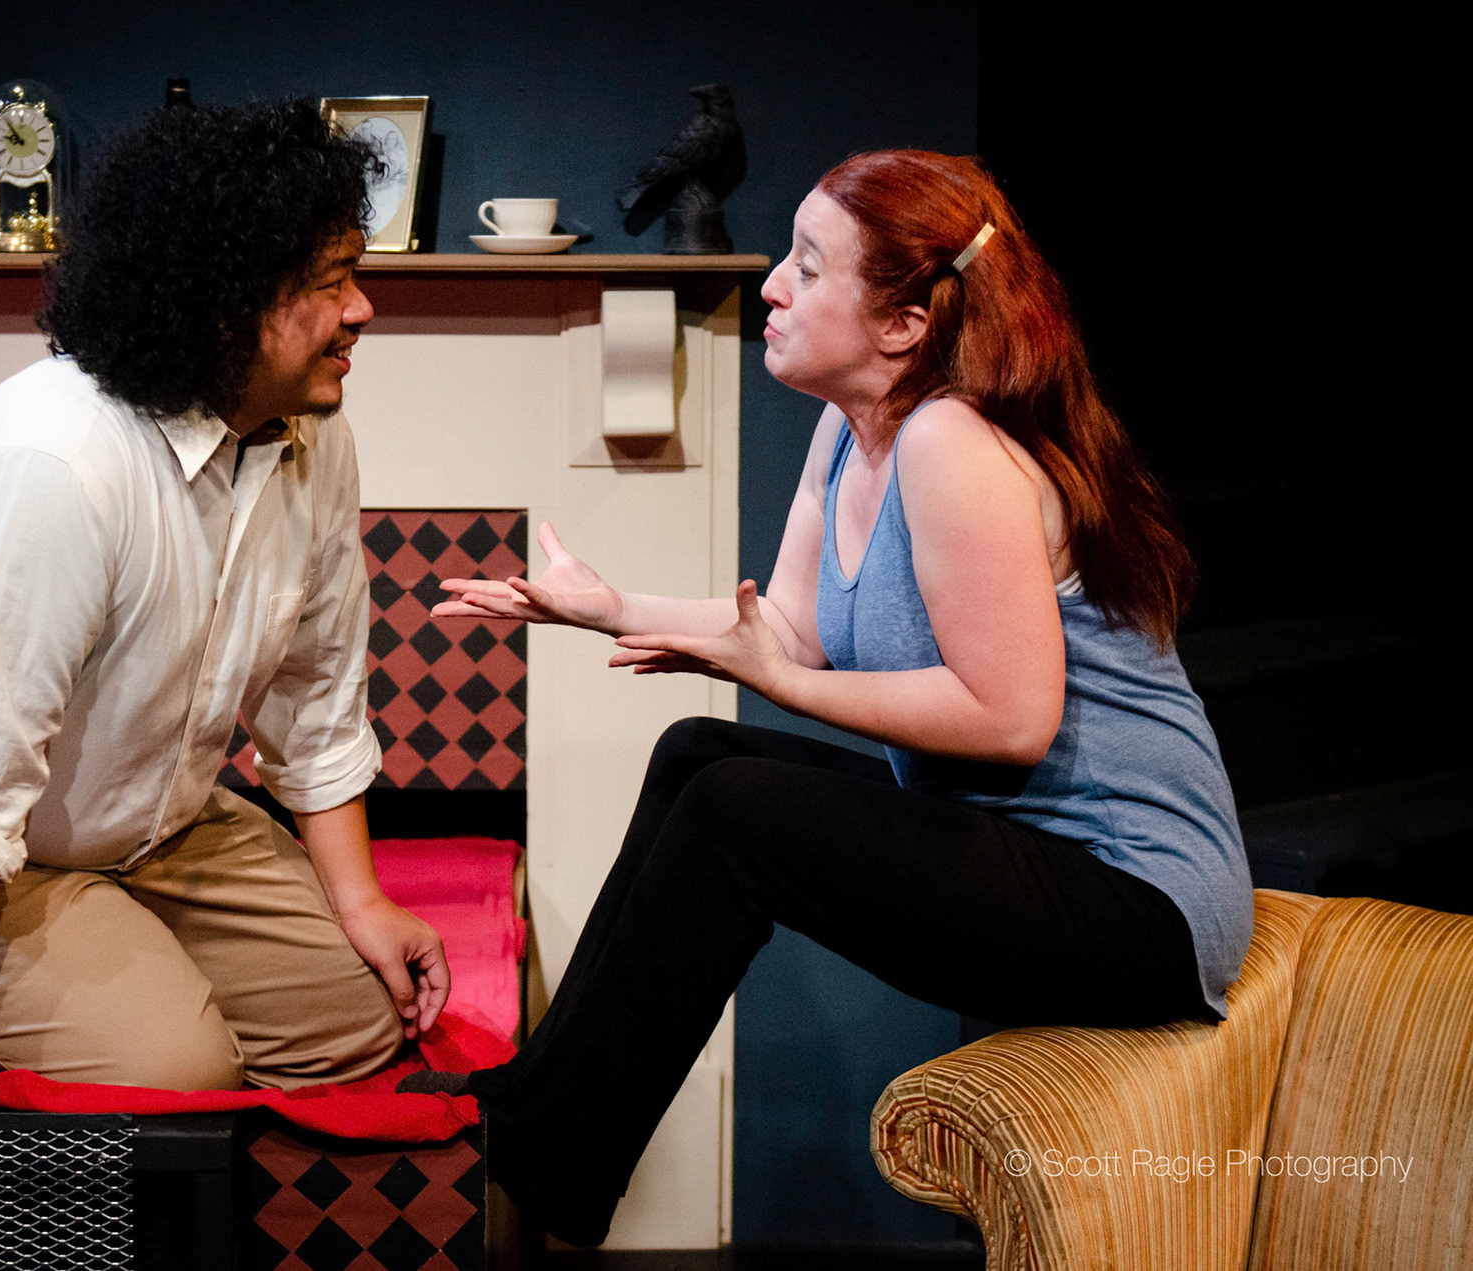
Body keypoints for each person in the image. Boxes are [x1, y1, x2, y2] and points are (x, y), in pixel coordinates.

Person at [418, 150, 1254, 1245]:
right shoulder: (851, 432)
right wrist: (608, 607)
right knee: (699, 755)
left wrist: (786, 683)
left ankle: (545, 1161)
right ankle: (535, 1109)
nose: (772, 285)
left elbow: (1012, 721)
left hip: (1138, 905)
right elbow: (791, 629)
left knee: (738, 812)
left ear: (903, 323)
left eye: (808, 269)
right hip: (1023, 848)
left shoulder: (953, 443)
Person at [0, 100, 449, 1152]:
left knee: (361, 1021)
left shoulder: (309, 434)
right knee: (178, 1068)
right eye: (331, 282)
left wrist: (363, 902)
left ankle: (86, 952)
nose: (363, 309)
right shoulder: (54, 465)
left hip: (131, 820)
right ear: (226, 300)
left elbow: (316, 698)